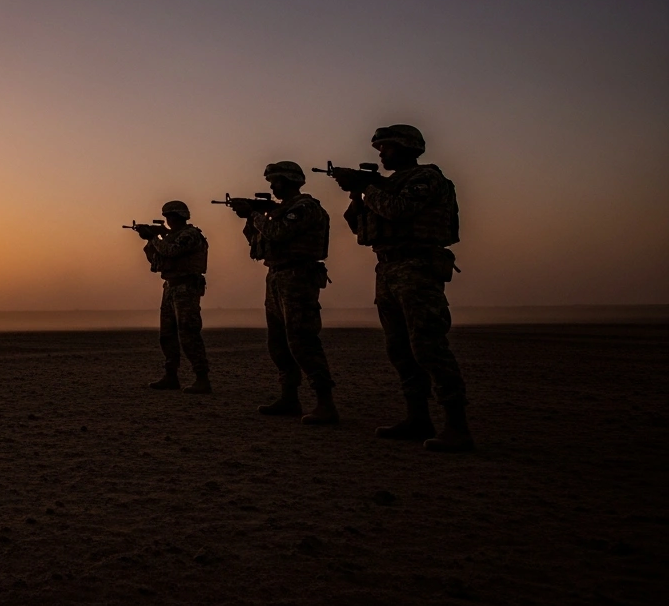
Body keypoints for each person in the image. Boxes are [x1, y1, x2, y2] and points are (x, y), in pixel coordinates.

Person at [330, 124, 473, 452]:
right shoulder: (387, 185)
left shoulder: (426, 178)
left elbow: (400, 210)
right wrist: (358, 192)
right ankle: (418, 418)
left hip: (417, 267)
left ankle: (457, 426)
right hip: (389, 268)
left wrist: (367, 186)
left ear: (408, 149)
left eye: (387, 148)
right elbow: (356, 224)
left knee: (428, 346)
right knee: (400, 349)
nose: (381, 154)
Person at [229, 161, 338, 424]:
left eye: (275, 181)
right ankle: (290, 398)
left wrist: (255, 214)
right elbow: (258, 245)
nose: (271, 186)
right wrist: (250, 219)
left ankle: (326, 403)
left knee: (302, 341)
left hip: (298, 277)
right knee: (278, 344)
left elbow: (278, 234)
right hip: (277, 276)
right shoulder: (278, 213)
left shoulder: (304, 207)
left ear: (288, 181)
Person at [138, 200, 211, 393]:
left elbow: (171, 251)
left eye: (170, 217)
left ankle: (202, 377)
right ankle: (171, 376)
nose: (168, 220)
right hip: (171, 287)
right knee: (167, 335)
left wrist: (155, 237)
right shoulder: (170, 237)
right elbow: (156, 262)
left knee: (188, 332)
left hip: (186, 287)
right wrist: (149, 241)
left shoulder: (190, 235)